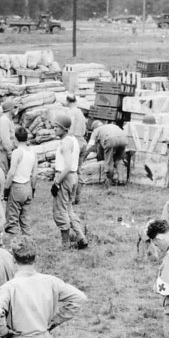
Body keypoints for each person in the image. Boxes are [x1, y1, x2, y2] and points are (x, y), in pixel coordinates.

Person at [51, 114, 88, 249]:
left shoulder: (66, 142)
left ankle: (65, 244)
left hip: (65, 176)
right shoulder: (73, 139)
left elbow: (66, 165)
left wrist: (57, 182)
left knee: (60, 210)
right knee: (69, 208)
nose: (54, 129)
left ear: (64, 128)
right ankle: (81, 237)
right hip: (73, 177)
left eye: (57, 127)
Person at [4, 126, 37, 236]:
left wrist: (6, 188)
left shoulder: (17, 152)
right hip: (28, 187)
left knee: (12, 222)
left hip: (17, 186)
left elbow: (11, 172)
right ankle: (29, 247)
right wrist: (32, 189)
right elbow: (35, 175)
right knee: (25, 221)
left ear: (15, 138)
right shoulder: (33, 153)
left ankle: (17, 246)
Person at [87, 120, 130, 186]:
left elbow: (90, 145)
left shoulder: (96, 130)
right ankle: (121, 180)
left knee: (109, 161)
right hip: (124, 139)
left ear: (94, 128)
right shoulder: (111, 125)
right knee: (118, 159)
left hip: (110, 139)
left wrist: (83, 154)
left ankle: (109, 180)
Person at [67, 94, 88, 203]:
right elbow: (85, 128)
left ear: (67, 102)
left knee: (71, 170)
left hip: (74, 141)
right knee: (78, 170)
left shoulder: (71, 112)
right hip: (82, 141)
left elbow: (70, 129)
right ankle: (77, 197)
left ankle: (71, 197)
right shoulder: (80, 112)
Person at [0, 100, 17, 172]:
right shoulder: (4, 120)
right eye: (14, 107)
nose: (16, 109)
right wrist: (10, 153)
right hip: (2, 152)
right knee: (3, 174)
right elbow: (5, 140)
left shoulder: (9, 120)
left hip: (5, 151)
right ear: (10, 109)